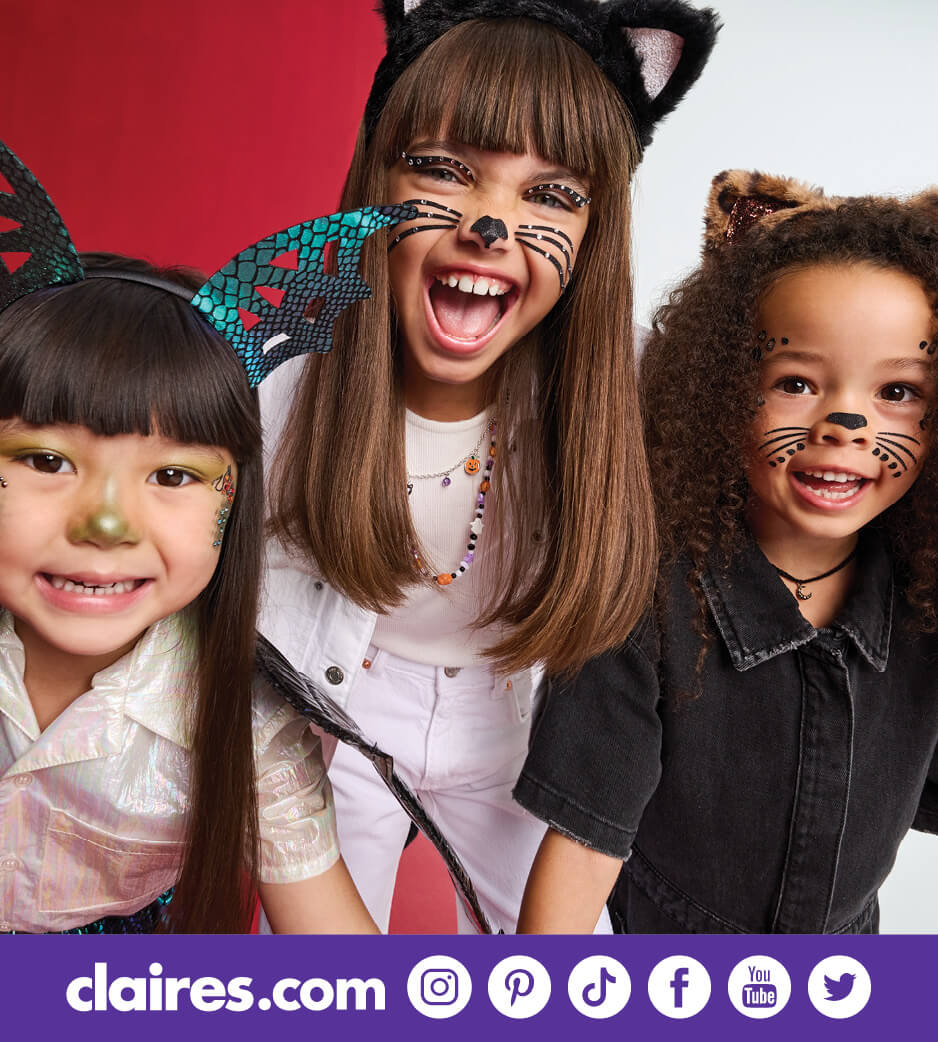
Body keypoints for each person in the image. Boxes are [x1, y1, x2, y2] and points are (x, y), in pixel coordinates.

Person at [261, 0, 718, 932]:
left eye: (551, 194)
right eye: (442, 171)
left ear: (595, 233)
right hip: (335, 719)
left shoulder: (638, 401)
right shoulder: (282, 381)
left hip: (526, 724)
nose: (490, 225)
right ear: (375, 180)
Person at [513, 170, 938, 933]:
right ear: (717, 388)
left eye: (899, 393)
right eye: (797, 380)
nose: (845, 421)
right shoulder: (641, 596)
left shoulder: (926, 600)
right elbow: (582, 849)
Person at [0, 150, 382, 934]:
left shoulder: (244, 728)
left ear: (233, 497)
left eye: (171, 476)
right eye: (46, 461)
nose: (105, 525)